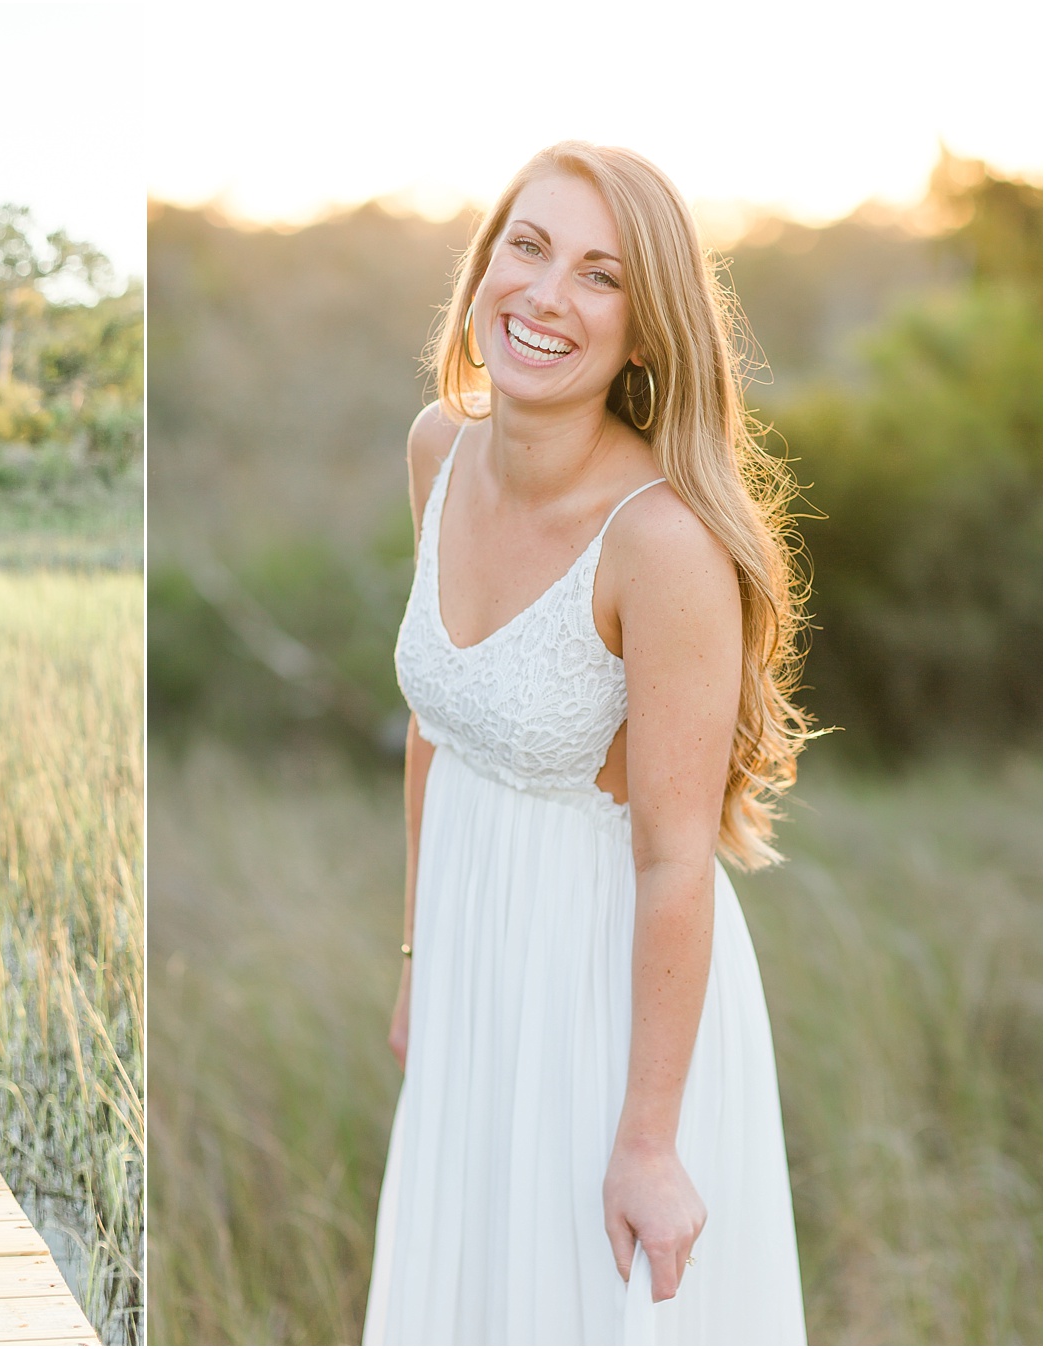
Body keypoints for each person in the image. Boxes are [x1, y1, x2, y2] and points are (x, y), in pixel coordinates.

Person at [365, 143, 810, 1344]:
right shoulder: (436, 450)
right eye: (529, 245)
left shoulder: (661, 543)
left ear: (643, 332)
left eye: (600, 275)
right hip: (472, 960)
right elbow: (435, 724)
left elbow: (675, 855)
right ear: (483, 266)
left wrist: (649, 1137)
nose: (546, 294)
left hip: (606, 996)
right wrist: (418, 957)